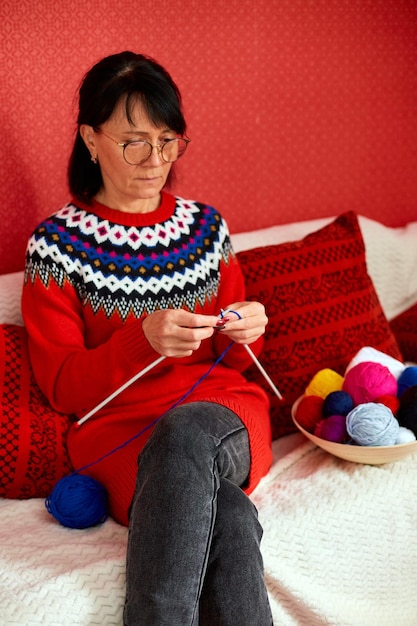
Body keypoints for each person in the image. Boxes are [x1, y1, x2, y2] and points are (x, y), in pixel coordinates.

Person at [22, 51, 273, 625]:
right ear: (90, 138)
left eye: (168, 141)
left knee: (185, 430)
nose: (155, 160)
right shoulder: (55, 247)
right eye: (135, 141)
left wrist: (245, 330)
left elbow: (234, 358)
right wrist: (141, 339)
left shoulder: (207, 229)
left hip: (221, 416)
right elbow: (62, 388)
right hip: (118, 437)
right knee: (227, 517)